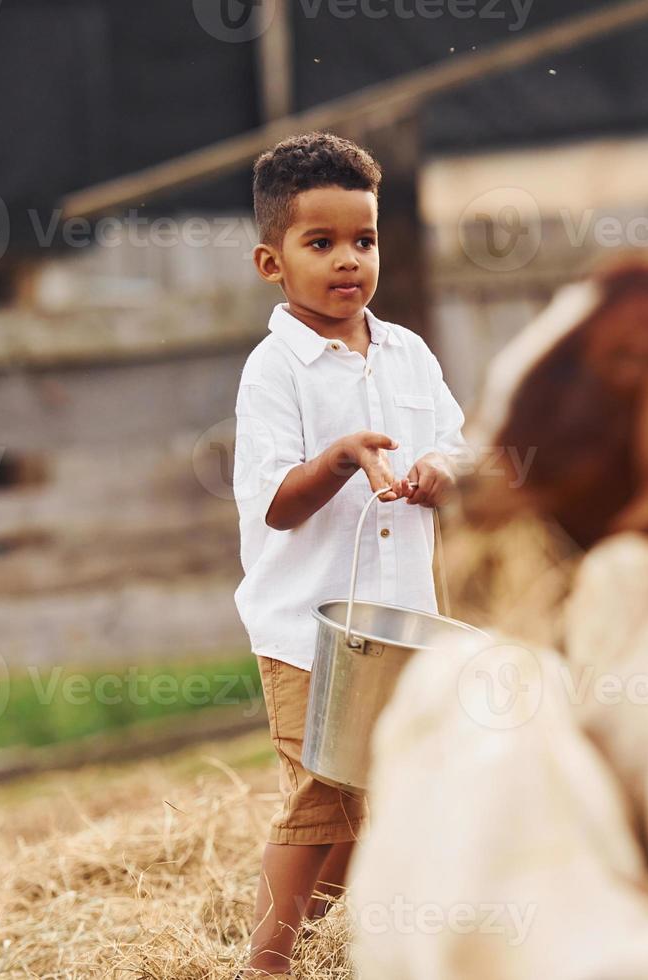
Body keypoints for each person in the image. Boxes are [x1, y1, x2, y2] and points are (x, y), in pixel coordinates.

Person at [232, 131, 468, 978]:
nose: (348, 262)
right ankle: (266, 964)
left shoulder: (408, 352)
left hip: (401, 622)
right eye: (320, 243)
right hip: (306, 630)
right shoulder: (275, 372)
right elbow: (274, 503)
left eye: (363, 241)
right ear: (272, 262)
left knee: (378, 789)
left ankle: (329, 939)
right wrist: (336, 458)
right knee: (320, 792)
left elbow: (458, 445)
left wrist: (443, 469)